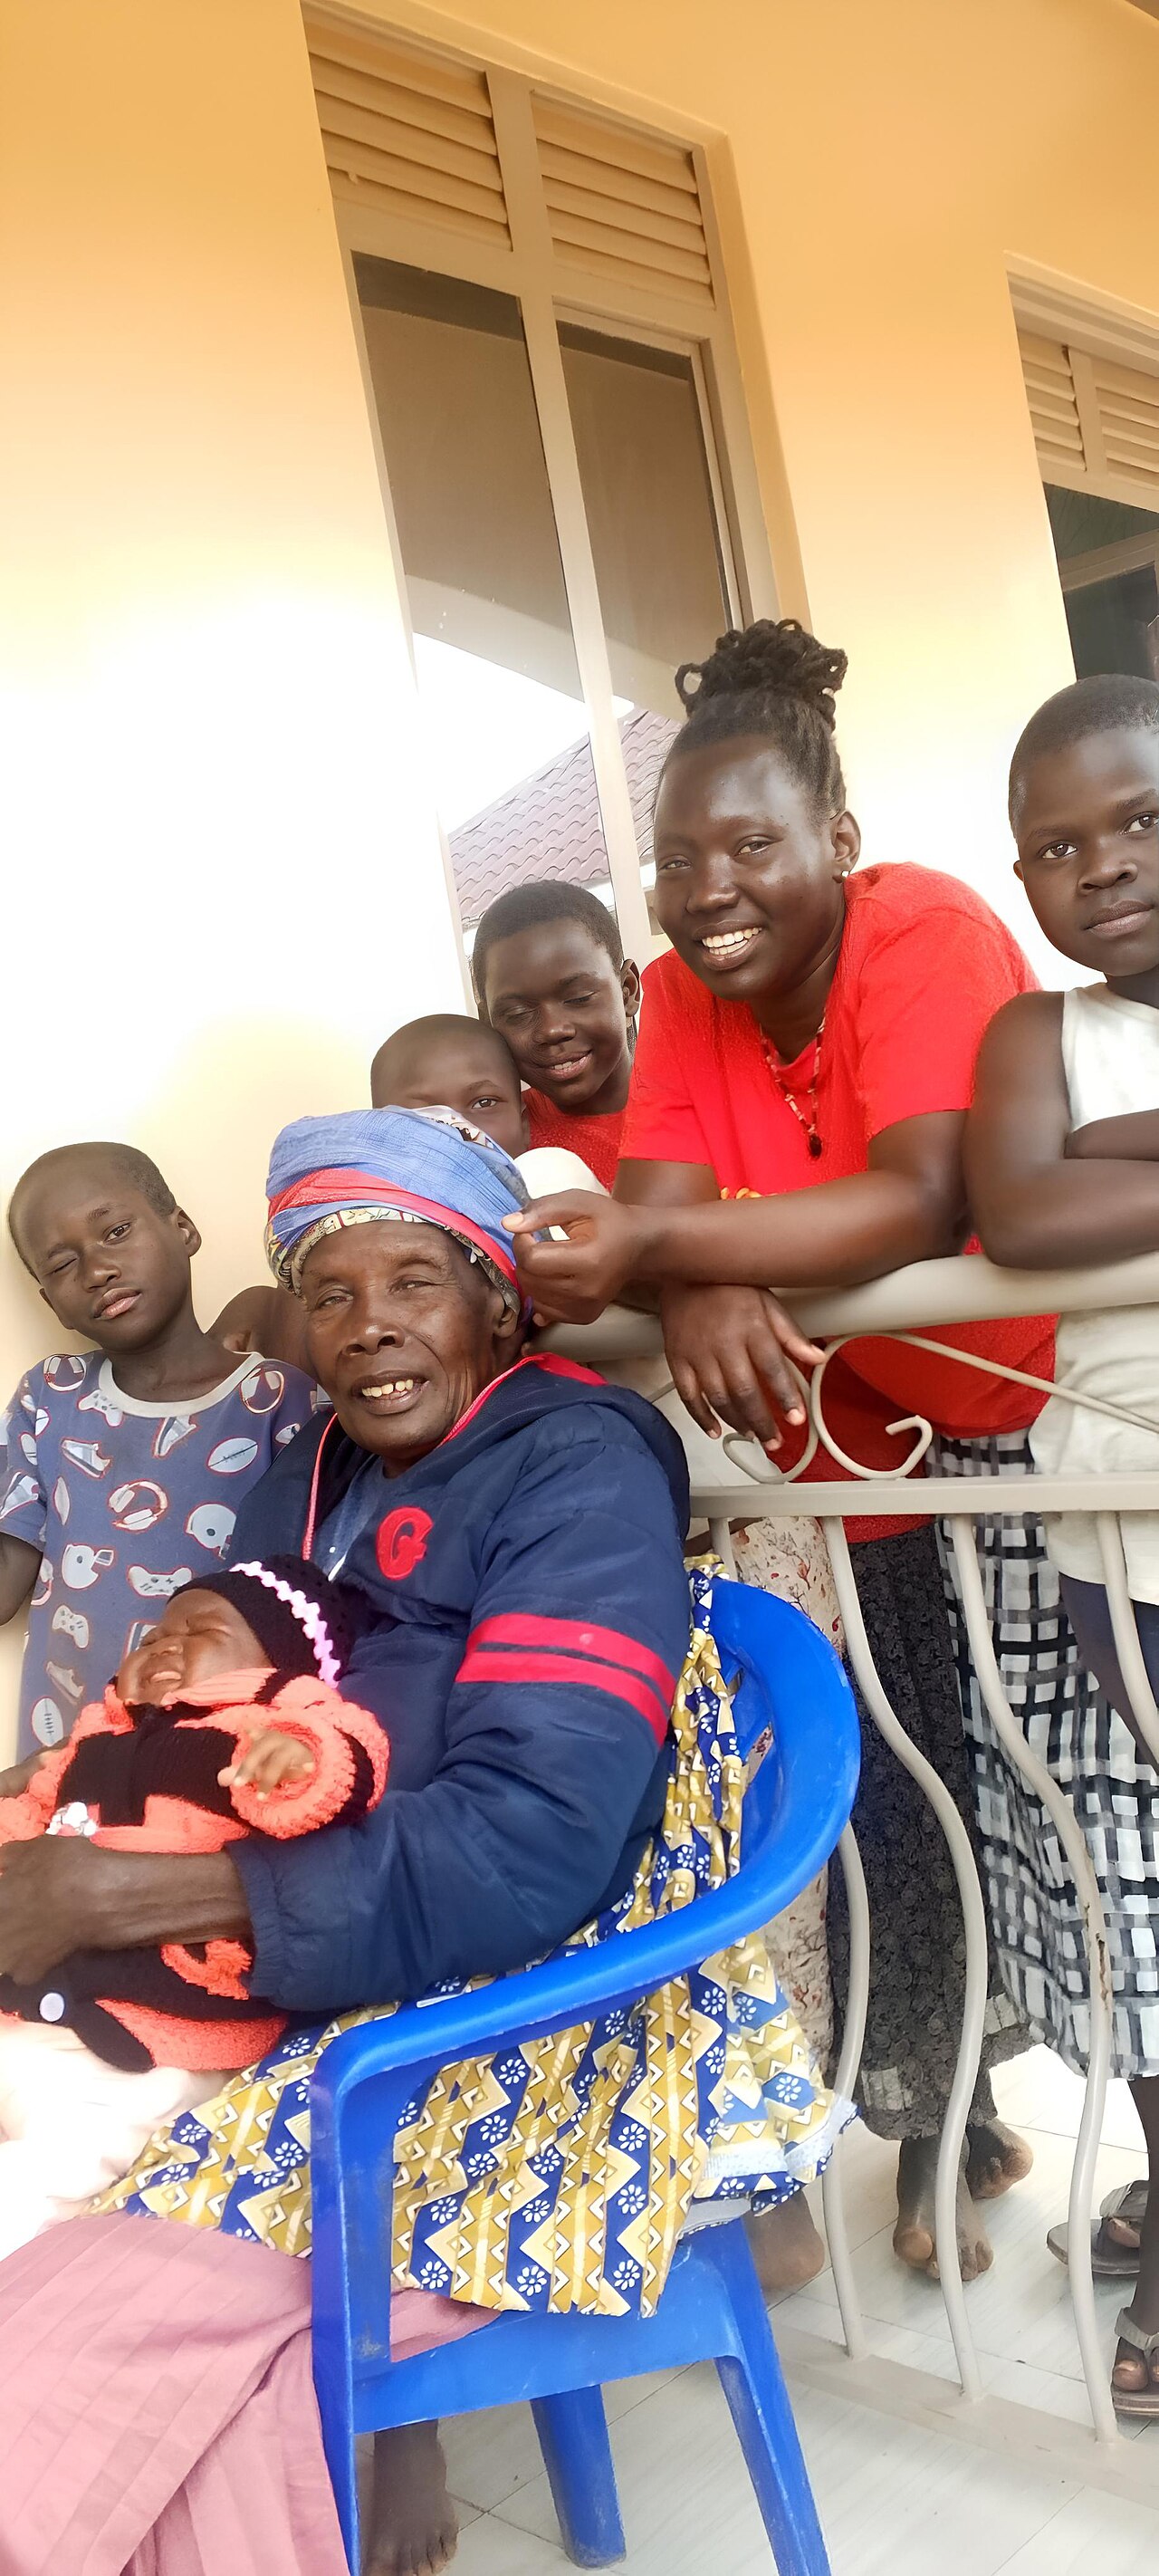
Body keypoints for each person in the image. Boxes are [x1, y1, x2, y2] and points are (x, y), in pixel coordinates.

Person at [0, 1109, 842, 2576]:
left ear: (499, 1301)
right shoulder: (323, 1465)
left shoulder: (574, 1461)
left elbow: (532, 1844)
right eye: (330, 1294)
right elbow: (215, 1699)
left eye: (413, 1282)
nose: (369, 1325)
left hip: (518, 1990)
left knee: (52, 2367)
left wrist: (117, 1893)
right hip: (295, 1958)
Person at [506, 618, 1066, 2284]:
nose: (709, 890)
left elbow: (921, 1197)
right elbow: (657, 1217)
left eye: (750, 847)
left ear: (839, 838)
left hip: (1030, 1436)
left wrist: (677, 1251)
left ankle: (972, 2124)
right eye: (678, 861)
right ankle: (915, 2123)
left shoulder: (926, 928)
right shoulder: (679, 994)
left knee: (1047, 1821)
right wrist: (695, 1271)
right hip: (846, 1460)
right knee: (893, 1805)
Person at [968, 669, 1159, 2417]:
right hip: (1125, 1536)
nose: (1102, 864)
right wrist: (1081, 1154)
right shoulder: (1042, 1036)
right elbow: (1022, 1206)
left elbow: (1082, 1185)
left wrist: (1131, 1153)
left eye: (1140, 818)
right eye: (1056, 845)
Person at [0, 1552, 386, 2256]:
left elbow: (349, 1755)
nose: (167, 1646)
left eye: (202, 1632)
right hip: (28, 2015)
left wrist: (300, 1760)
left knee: (61, 2161)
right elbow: (27, 1819)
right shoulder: (95, 1738)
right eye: (154, 1637)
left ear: (278, 1665)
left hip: (154, 2047)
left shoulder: (272, 1722)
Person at [0, 1142, 317, 1761]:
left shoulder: (278, 1401)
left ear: (183, 1229)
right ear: (49, 1302)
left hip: (215, 1759)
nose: (97, 1270)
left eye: (116, 1232)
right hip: (62, 1762)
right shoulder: (50, 1395)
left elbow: (305, 1600)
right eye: (62, 1264)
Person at [473, 880, 640, 1187]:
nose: (552, 1030)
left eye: (578, 998)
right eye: (518, 1014)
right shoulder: (495, 1138)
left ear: (627, 991)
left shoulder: (699, 1107)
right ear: (490, 1023)